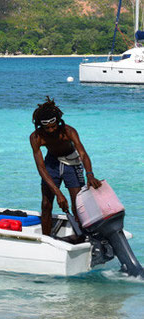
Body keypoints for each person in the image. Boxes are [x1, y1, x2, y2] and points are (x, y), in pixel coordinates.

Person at [29, 96, 102, 237]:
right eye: (47, 127)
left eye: (53, 126)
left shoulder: (68, 131)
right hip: (51, 164)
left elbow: (83, 154)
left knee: (77, 206)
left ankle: (83, 237)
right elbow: (41, 168)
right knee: (46, 204)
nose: (51, 130)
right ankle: (46, 239)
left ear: (58, 122)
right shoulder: (36, 137)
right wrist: (58, 194)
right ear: (41, 125)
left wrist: (90, 174)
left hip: (71, 163)